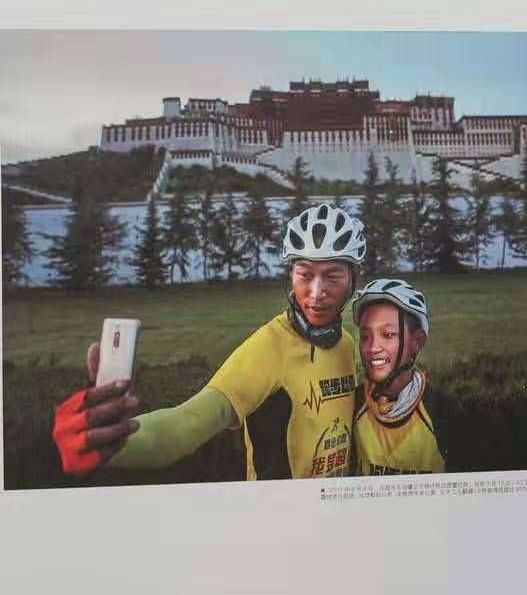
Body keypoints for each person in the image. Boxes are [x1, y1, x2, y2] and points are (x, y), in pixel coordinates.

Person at [52, 204, 366, 481]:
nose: (316, 292)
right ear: (290, 275)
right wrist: (115, 444)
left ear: (354, 278)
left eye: (333, 276)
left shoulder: (346, 346)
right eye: (305, 274)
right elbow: (187, 423)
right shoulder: (269, 348)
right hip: (279, 520)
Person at [351, 278, 469, 476]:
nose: (372, 348)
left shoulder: (442, 408)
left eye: (388, 334)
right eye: (365, 336)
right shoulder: (354, 404)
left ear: (417, 342)